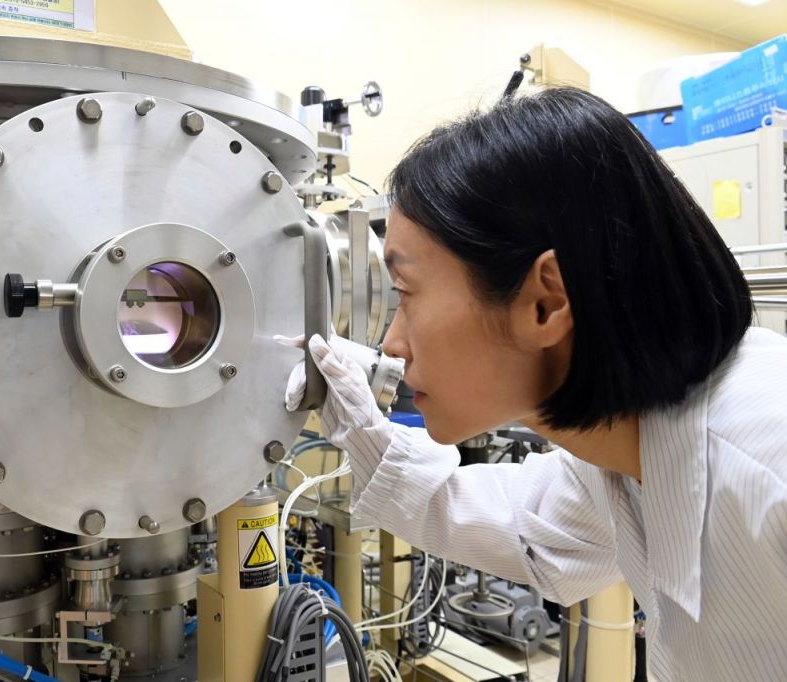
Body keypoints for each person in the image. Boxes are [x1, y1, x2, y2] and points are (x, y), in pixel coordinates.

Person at [285, 87, 787, 681]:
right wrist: (364, 431)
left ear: (546, 301)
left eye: (405, 294)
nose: (392, 344)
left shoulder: (769, 469)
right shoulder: (623, 457)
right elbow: (522, 526)